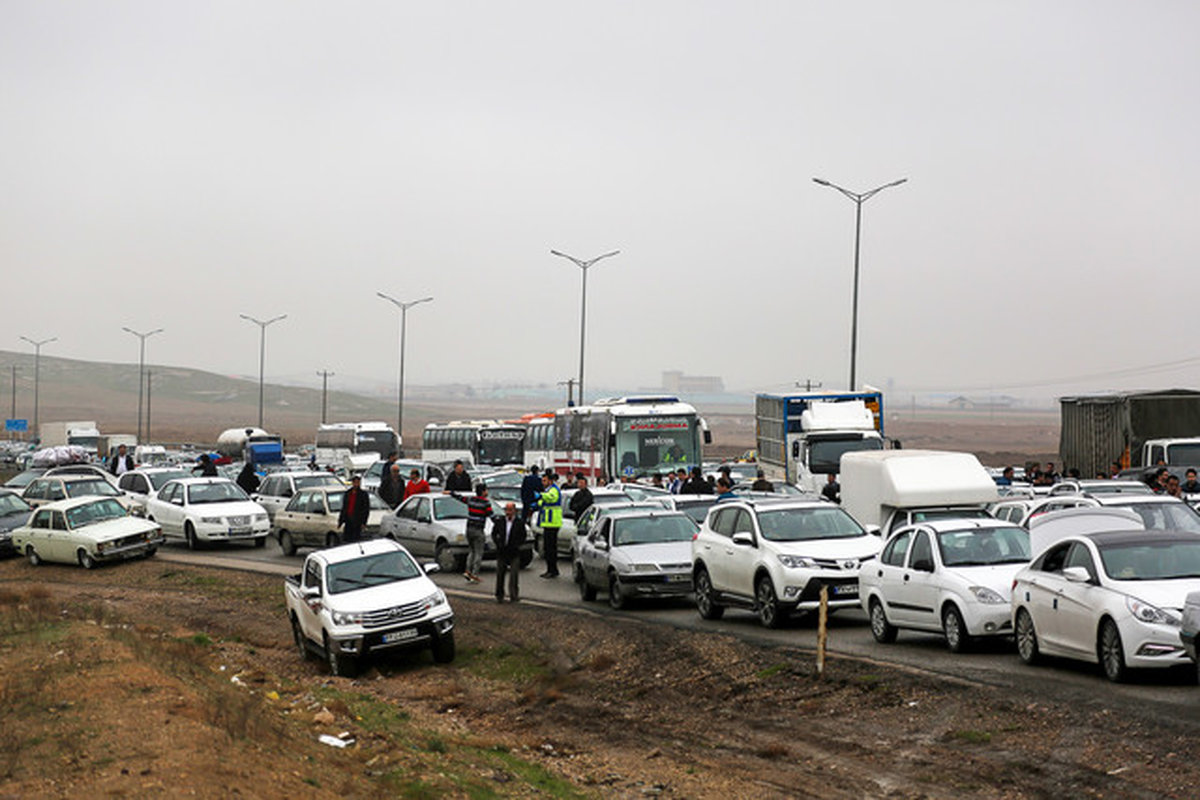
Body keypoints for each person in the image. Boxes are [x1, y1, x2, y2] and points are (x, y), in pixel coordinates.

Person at [492, 502, 526, 603]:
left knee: (514, 576)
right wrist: (498, 543)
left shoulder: (519, 522)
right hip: (502, 551)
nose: (508, 512)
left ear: (514, 511)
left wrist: (517, 545)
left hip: (514, 552)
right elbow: (494, 533)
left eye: (510, 510)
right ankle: (499, 595)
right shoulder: (500, 521)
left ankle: (514, 595)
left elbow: (523, 536)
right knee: (500, 574)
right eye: (507, 510)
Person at [459, 482, 491, 583]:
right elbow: (491, 515)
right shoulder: (486, 503)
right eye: (486, 490)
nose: (487, 492)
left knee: (471, 551)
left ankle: (467, 571)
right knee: (478, 553)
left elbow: (460, 498)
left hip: (469, 529)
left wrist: (451, 493)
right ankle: (474, 574)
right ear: (483, 492)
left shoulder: (471, 500)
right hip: (478, 530)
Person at [534, 471, 563, 578]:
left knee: (551, 549)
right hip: (548, 523)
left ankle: (552, 570)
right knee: (548, 548)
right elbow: (543, 502)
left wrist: (540, 495)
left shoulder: (554, 490)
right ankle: (550, 569)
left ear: (550, 481)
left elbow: (551, 498)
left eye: (544, 480)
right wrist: (538, 502)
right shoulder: (549, 490)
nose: (543, 482)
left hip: (553, 523)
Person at [337, 475, 371, 543]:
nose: (356, 484)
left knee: (356, 539)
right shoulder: (348, 493)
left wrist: (364, 522)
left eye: (358, 482)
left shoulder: (363, 494)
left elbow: (366, 509)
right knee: (347, 538)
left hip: (357, 520)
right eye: (355, 482)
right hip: (348, 519)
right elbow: (344, 508)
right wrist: (340, 521)